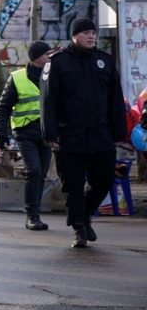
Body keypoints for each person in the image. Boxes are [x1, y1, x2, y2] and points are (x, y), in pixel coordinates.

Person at [40, 18, 126, 248]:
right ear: (74, 36)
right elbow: (48, 102)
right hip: (70, 137)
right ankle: (79, 229)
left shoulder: (104, 61)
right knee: (73, 185)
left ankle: (83, 214)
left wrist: (119, 132)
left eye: (93, 33)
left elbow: (115, 100)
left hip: (100, 135)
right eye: (86, 33)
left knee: (104, 181)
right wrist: (50, 134)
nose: (91, 37)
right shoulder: (58, 63)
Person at [0, 41, 54, 231]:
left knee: (41, 174)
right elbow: (3, 107)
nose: (49, 57)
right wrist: (0, 133)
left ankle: (34, 212)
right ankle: (32, 215)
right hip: (25, 132)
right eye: (47, 54)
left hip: (48, 133)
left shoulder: (53, 75)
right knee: (34, 171)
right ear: (36, 57)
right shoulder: (17, 78)